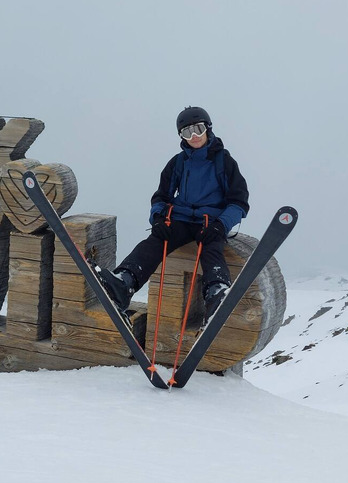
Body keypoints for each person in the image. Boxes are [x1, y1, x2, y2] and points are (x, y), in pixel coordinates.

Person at [96, 106, 249, 328]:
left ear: (208, 128)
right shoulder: (178, 162)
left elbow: (239, 201)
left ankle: (216, 293)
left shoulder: (224, 162)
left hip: (210, 222)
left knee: (212, 249)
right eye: (187, 132)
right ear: (181, 136)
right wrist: (158, 218)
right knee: (154, 243)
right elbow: (161, 196)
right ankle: (124, 282)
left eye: (198, 129)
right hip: (181, 219)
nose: (194, 136)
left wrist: (220, 225)